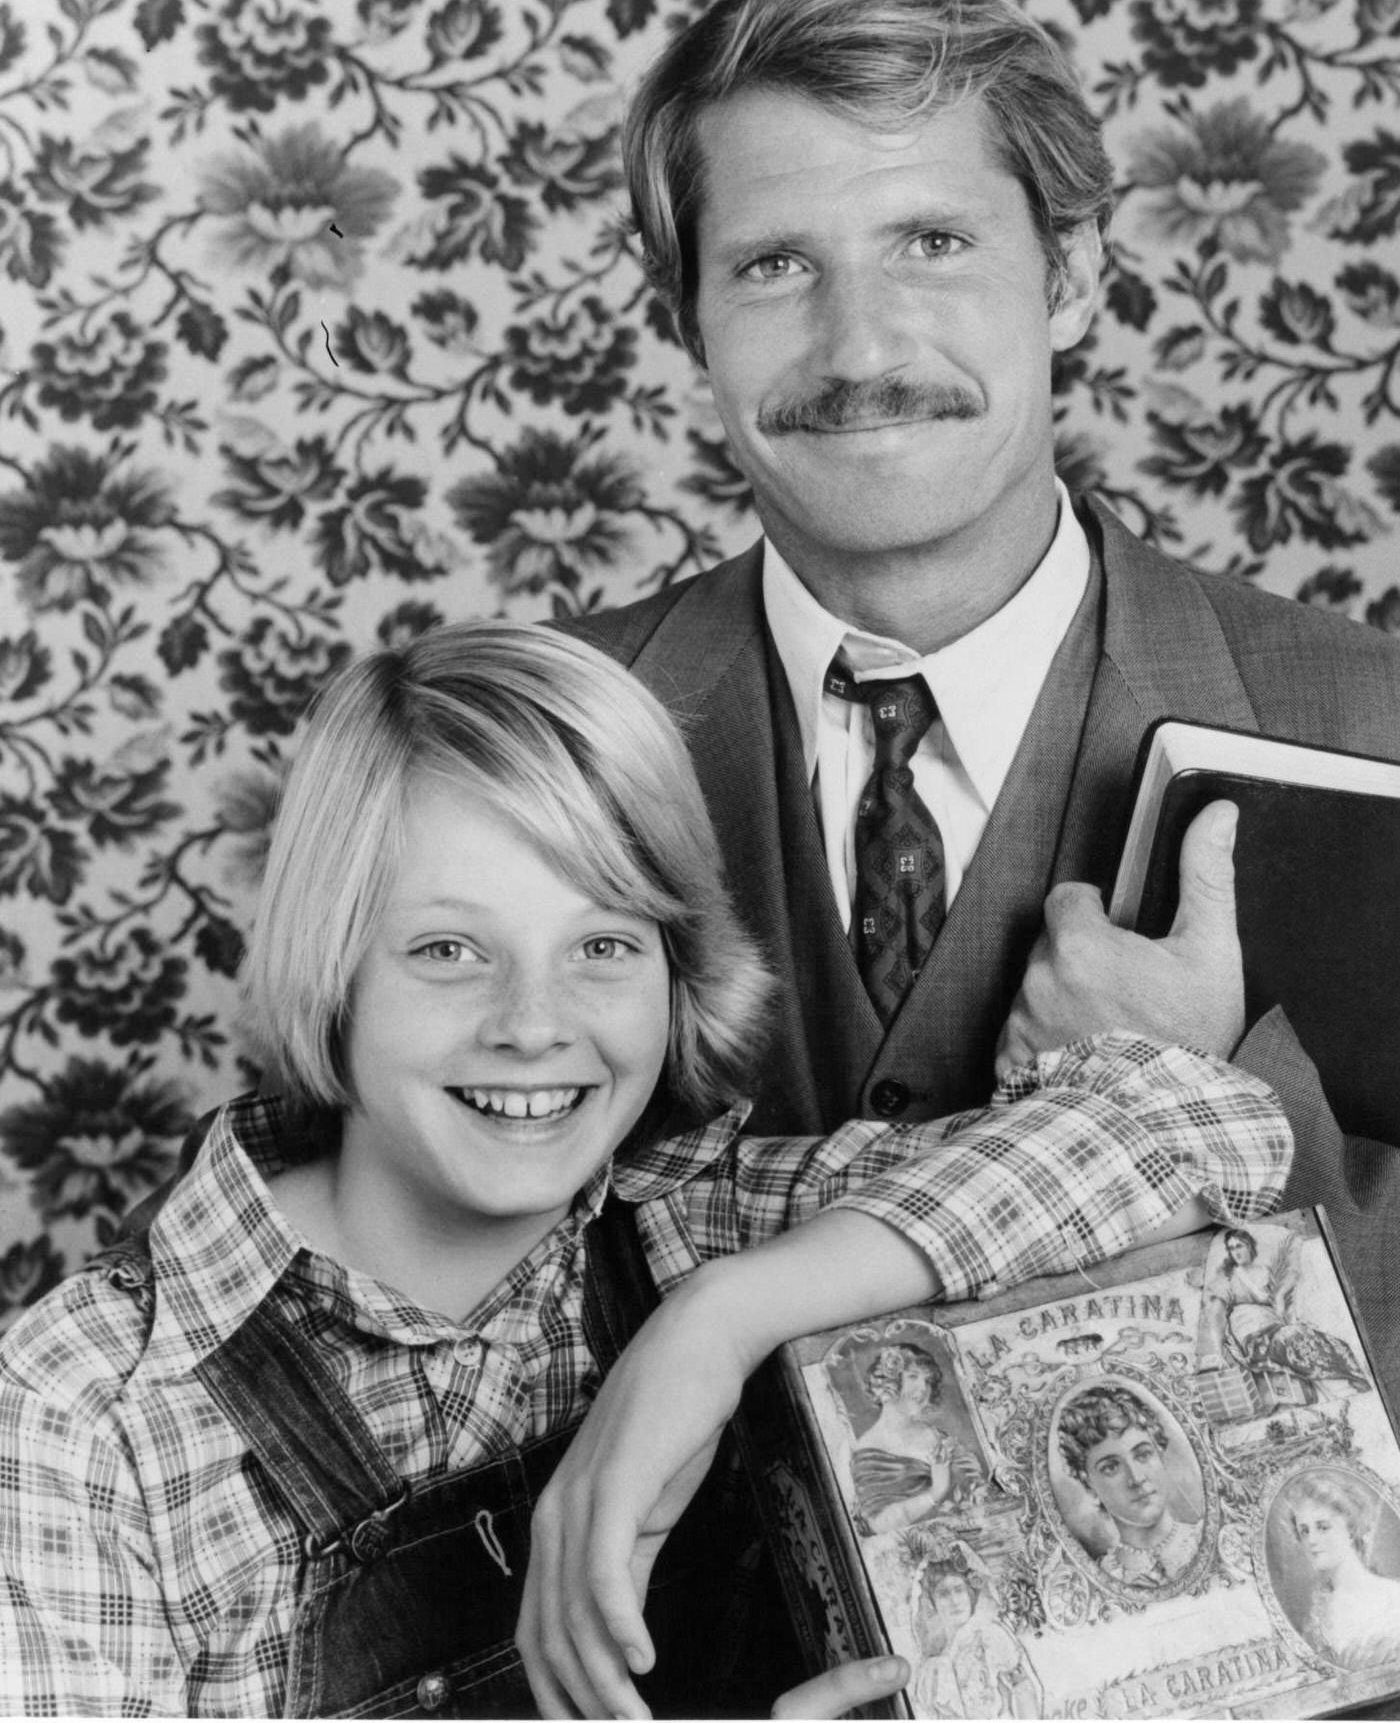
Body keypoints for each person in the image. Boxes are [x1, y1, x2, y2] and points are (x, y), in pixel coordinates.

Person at [0, 622, 1289, 1718]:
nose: (533, 1022)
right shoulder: (84, 1412)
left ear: (675, 975)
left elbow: (1198, 1124)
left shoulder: (711, 1228)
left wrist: (716, 1323)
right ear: (329, 971)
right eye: (448, 950)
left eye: (603, 946)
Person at [563, 0, 1400, 1419]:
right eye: (773, 266)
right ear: (684, 314)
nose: (862, 345)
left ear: (1070, 274)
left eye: (932, 243)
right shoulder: (543, 742)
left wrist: (1195, 1108)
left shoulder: (1370, 725)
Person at [1056, 1384, 1202, 1589]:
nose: (1136, 1477)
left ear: (1159, 1454)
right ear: (1087, 1481)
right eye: (1111, 1467)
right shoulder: (1101, 1576)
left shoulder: (1204, 1540)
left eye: (1142, 1455)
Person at [1200, 1225, 1369, 1401]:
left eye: (1239, 1246)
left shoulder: (1265, 1272)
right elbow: (1217, 1315)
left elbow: (1291, 1276)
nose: (1236, 1252)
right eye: (1231, 1248)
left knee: (1326, 1340)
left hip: (1277, 1327)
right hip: (1255, 1337)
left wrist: (1280, 1296)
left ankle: (1348, 1383)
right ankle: (1342, 1389)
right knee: (1293, 1338)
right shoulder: (1228, 1279)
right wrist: (1218, 1352)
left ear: (1249, 1246)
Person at [850, 1344, 981, 1535]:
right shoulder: (868, 1452)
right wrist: (936, 1491)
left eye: (928, 1380)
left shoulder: (937, 1435)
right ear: (888, 1382)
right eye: (913, 1376)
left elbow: (975, 1485)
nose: (924, 1388)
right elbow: (878, 1525)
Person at [1280, 1470, 1400, 1673]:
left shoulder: (1393, 1597)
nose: (1312, 1541)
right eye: (1304, 1531)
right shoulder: (1315, 1622)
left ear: (1351, 1529)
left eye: (1323, 1527)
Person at [911, 1557, 1042, 1719]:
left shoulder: (990, 1636)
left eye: (959, 1590)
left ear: (970, 1594)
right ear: (933, 1603)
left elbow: (1024, 1690)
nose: (954, 1601)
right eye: (943, 1594)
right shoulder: (931, 1670)